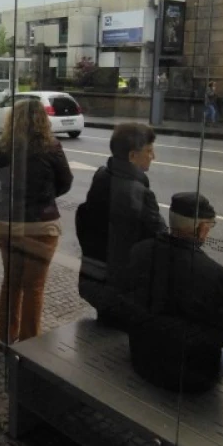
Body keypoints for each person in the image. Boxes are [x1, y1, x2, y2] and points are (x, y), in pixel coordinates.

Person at [127, 192, 223, 392]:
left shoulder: (139, 251)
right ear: (202, 229)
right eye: (210, 226)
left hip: (141, 357)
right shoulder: (216, 274)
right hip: (189, 377)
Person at [0, 98, 73, 345]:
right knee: (34, 286)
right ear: (42, 120)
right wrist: (45, 197)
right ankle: (29, 345)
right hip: (41, 224)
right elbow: (66, 181)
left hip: (8, 222)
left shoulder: (3, 147)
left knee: (11, 282)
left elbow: (4, 180)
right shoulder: (52, 147)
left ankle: (5, 337)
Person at [76, 122, 166, 327]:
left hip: (93, 274)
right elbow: (160, 237)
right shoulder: (140, 193)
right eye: (149, 151)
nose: (154, 156)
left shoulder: (101, 176)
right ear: (133, 156)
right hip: (122, 289)